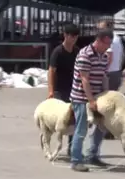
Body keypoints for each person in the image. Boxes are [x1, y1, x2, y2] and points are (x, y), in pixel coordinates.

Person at [69, 29, 113, 172]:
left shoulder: (104, 56)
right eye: (106, 44)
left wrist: (106, 95)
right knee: (81, 129)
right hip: (81, 97)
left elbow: (104, 77)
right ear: (99, 41)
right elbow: (84, 79)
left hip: (98, 97)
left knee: (101, 127)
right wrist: (91, 101)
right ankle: (76, 160)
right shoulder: (85, 54)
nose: (108, 47)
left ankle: (92, 155)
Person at [47, 23, 80, 157]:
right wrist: (51, 91)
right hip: (60, 89)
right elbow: (51, 71)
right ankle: (49, 142)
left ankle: (71, 148)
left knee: (74, 119)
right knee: (60, 119)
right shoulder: (58, 51)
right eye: (71, 36)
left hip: (74, 89)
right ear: (65, 35)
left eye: (76, 36)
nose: (74, 39)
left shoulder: (77, 51)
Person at [97, 20, 125, 140]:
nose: (99, 31)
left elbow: (109, 57)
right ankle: (111, 130)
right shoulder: (118, 39)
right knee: (111, 104)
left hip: (109, 74)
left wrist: (101, 71)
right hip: (116, 72)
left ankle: (107, 131)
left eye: (101, 28)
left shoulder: (109, 40)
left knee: (106, 104)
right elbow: (123, 55)